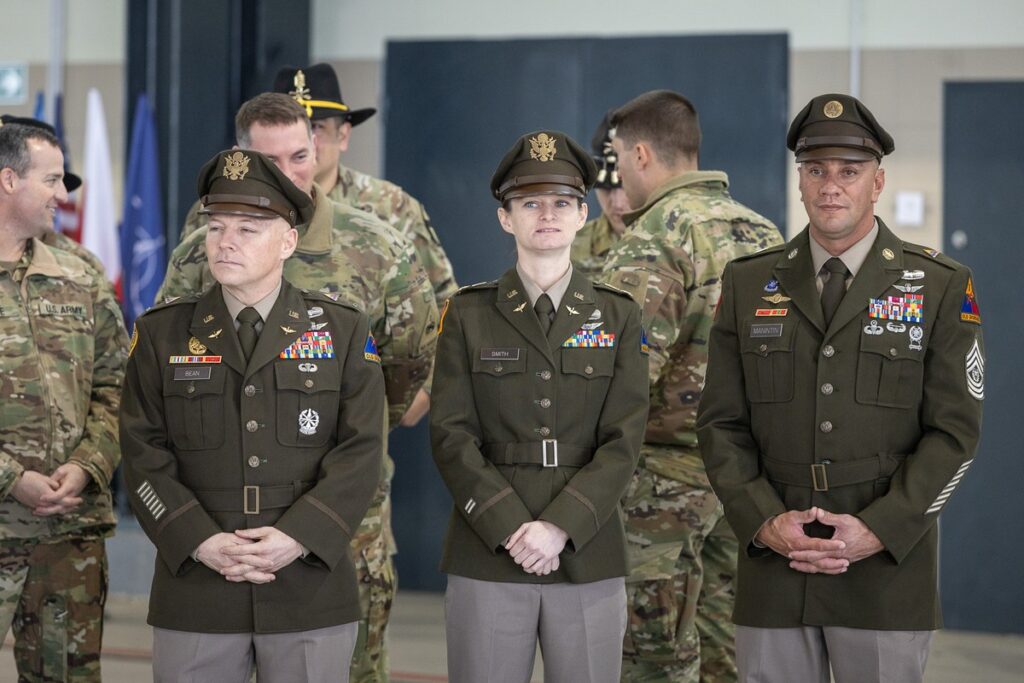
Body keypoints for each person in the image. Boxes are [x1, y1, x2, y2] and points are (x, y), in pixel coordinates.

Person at [696, 93, 984, 683]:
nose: (831, 186)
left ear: (876, 183)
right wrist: (764, 522)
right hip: (777, 562)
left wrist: (880, 529)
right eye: (816, 170)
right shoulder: (750, 282)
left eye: (848, 172)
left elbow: (954, 433)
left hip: (886, 569)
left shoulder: (937, 285)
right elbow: (720, 424)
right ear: (800, 180)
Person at [157, 91, 437, 683]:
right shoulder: (199, 252)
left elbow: (411, 358)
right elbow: (168, 369)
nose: (291, 176)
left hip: (342, 511)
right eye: (270, 161)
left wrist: (348, 428)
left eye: (300, 156)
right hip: (224, 513)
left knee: (348, 664)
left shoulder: (378, 246)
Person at [121, 149, 385, 682]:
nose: (226, 241)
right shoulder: (162, 333)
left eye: (248, 227)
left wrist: (298, 536)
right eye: (216, 227)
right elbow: (142, 452)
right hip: (196, 582)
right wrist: (198, 539)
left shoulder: (342, 330)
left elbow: (361, 452)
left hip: (308, 581)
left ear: (288, 241)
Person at [430, 130, 649, 683]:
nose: (546, 215)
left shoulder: (619, 316)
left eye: (561, 203)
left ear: (582, 216)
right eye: (529, 203)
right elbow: (451, 433)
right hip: (488, 550)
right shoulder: (467, 313)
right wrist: (510, 526)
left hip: (586, 548)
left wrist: (559, 527)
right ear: (507, 218)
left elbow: (624, 441)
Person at [601, 90, 782, 682]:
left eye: (620, 157)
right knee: (725, 650)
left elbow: (622, 374)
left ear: (644, 154)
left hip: (661, 488)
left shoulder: (653, 237)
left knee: (653, 658)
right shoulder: (766, 233)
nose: (619, 172)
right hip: (747, 481)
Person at [0, 121, 128, 681]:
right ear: (8, 179)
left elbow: (119, 386)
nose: (64, 194)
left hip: (67, 537)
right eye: (52, 179)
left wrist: (88, 464)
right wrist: (10, 478)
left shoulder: (80, 273)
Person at [272, 62, 458, 432]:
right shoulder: (224, 211)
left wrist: (423, 392)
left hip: (356, 420)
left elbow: (448, 305)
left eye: (316, 128)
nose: (306, 142)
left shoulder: (390, 207)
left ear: (343, 135)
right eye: (288, 129)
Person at [571, 111, 629, 278]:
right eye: (606, 188)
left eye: (625, 186)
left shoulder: (678, 244)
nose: (617, 203)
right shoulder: (567, 249)